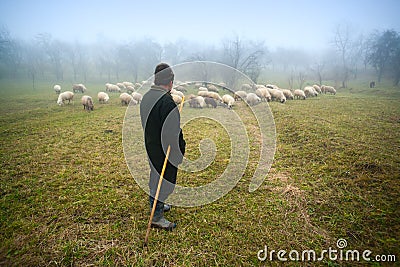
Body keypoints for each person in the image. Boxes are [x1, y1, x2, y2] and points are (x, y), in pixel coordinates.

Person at [140, 63, 186, 230]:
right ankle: (157, 216)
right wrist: (179, 149)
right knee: (165, 182)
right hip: (164, 151)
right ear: (171, 82)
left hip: (151, 146)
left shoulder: (146, 97)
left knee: (156, 176)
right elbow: (172, 134)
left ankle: (156, 204)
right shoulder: (166, 102)